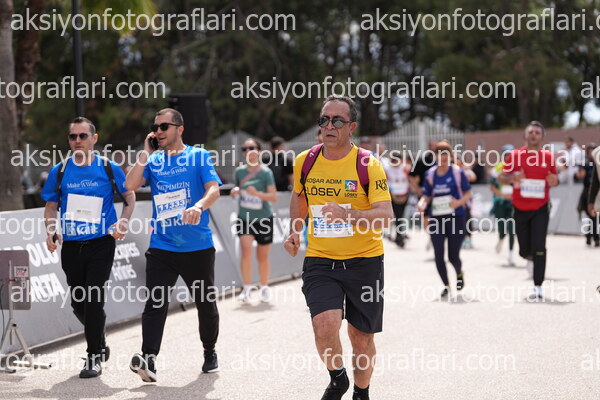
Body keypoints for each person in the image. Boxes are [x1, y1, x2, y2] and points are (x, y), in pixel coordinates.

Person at [284, 95, 393, 400]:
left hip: (365, 262)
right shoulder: (305, 161)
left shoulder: (368, 164)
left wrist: (347, 214)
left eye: (337, 121)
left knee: (361, 337)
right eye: (324, 120)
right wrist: (294, 230)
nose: (329, 126)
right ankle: (338, 377)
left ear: (351, 127)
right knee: (324, 325)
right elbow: (299, 196)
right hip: (321, 259)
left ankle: (361, 391)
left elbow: (386, 216)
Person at [125, 108, 222, 382]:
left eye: (164, 126)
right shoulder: (153, 160)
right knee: (155, 302)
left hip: (197, 246)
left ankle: (209, 351)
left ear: (180, 129)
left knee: (205, 304)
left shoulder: (198, 156)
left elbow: (214, 189)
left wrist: (199, 206)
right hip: (162, 245)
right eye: (155, 127)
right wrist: (145, 152)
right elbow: (130, 184)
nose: (158, 131)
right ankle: (149, 359)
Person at [42, 117, 135, 378]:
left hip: (101, 242)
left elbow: (129, 196)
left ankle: (93, 356)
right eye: (73, 136)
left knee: (94, 299)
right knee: (79, 303)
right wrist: (51, 230)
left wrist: (123, 222)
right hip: (72, 245)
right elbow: (50, 206)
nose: (78, 141)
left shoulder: (108, 168)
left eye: (83, 136)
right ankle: (99, 336)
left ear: (94, 139)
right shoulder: (60, 171)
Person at [499, 121, 559, 300]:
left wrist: (554, 180)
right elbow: (501, 178)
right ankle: (528, 256)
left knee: (540, 246)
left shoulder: (548, 157)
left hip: (541, 208)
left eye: (537, 133)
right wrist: (512, 178)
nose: (534, 135)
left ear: (542, 137)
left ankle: (538, 286)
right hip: (520, 208)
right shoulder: (515, 156)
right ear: (525, 136)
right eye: (531, 132)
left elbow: (555, 180)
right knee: (524, 250)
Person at [417, 140, 472, 297]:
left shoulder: (457, 172)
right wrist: (422, 203)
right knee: (438, 254)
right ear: (435, 157)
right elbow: (427, 195)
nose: (442, 159)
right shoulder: (430, 174)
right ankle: (446, 285)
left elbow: (468, 193)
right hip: (437, 219)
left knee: (453, 256)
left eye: (445, 156)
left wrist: (458, 203)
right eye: (439, 156)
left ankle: (459, 273)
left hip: (456, 218)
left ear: (451, 157)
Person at [231, 139, 277, 302]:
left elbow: (273, 197)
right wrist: (236, 190)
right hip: (245, 218)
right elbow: (238, 187)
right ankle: (246, 288)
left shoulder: (266, 172)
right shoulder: (239, 171)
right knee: (246, 252)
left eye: (252, 148)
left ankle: (264, 287)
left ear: (259, 150)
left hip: (264, 218)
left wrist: (257, 194)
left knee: (262, 257)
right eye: (245, 148)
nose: (248, 151)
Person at [489, 145, 517, 265]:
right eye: (506, 155)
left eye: (510, 155)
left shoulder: (517, 168)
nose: (508, 157)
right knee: (502, 228)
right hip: (500, 202)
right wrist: (502, 195)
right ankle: (501, 237)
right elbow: (492, 187)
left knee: (512, 229)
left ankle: (510, 254)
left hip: (513, 202)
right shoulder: (497, 169)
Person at [384, 150, 411, 247]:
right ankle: (399, 236)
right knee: (398, 216)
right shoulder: (388, 169)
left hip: (404, 195)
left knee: (403, 216)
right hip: (393, 195)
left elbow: (409, 179)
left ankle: (401, 235)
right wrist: (391, 193)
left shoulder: (405, 168)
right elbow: (386, 182)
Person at [576, 144, 599, 247]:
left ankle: (590, 236)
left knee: (594, 218)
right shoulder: (585, 164)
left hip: (597, 194)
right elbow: (578, 176)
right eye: (590, 152)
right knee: (592, 217)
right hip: (587, 194)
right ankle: (594, 238)